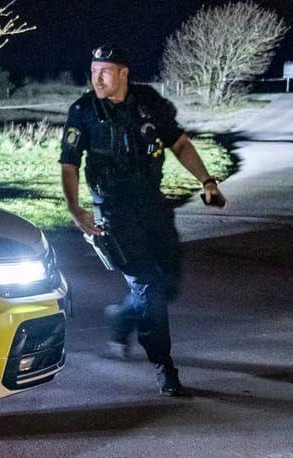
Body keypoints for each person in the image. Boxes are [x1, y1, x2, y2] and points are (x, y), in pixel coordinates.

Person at [59, 44, 226, 397]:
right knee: (148, 285)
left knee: (168, 283)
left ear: (123, 73)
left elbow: (179, 144)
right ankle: (163, 365)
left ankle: (122, 318)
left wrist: (207, 181)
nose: (97, 78)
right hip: (115, 213)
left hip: (153, 204)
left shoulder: (148, 103)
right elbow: (69, 164)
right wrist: (76, 209)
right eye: (93, 71)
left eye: (104, 71)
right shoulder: (83, 111)